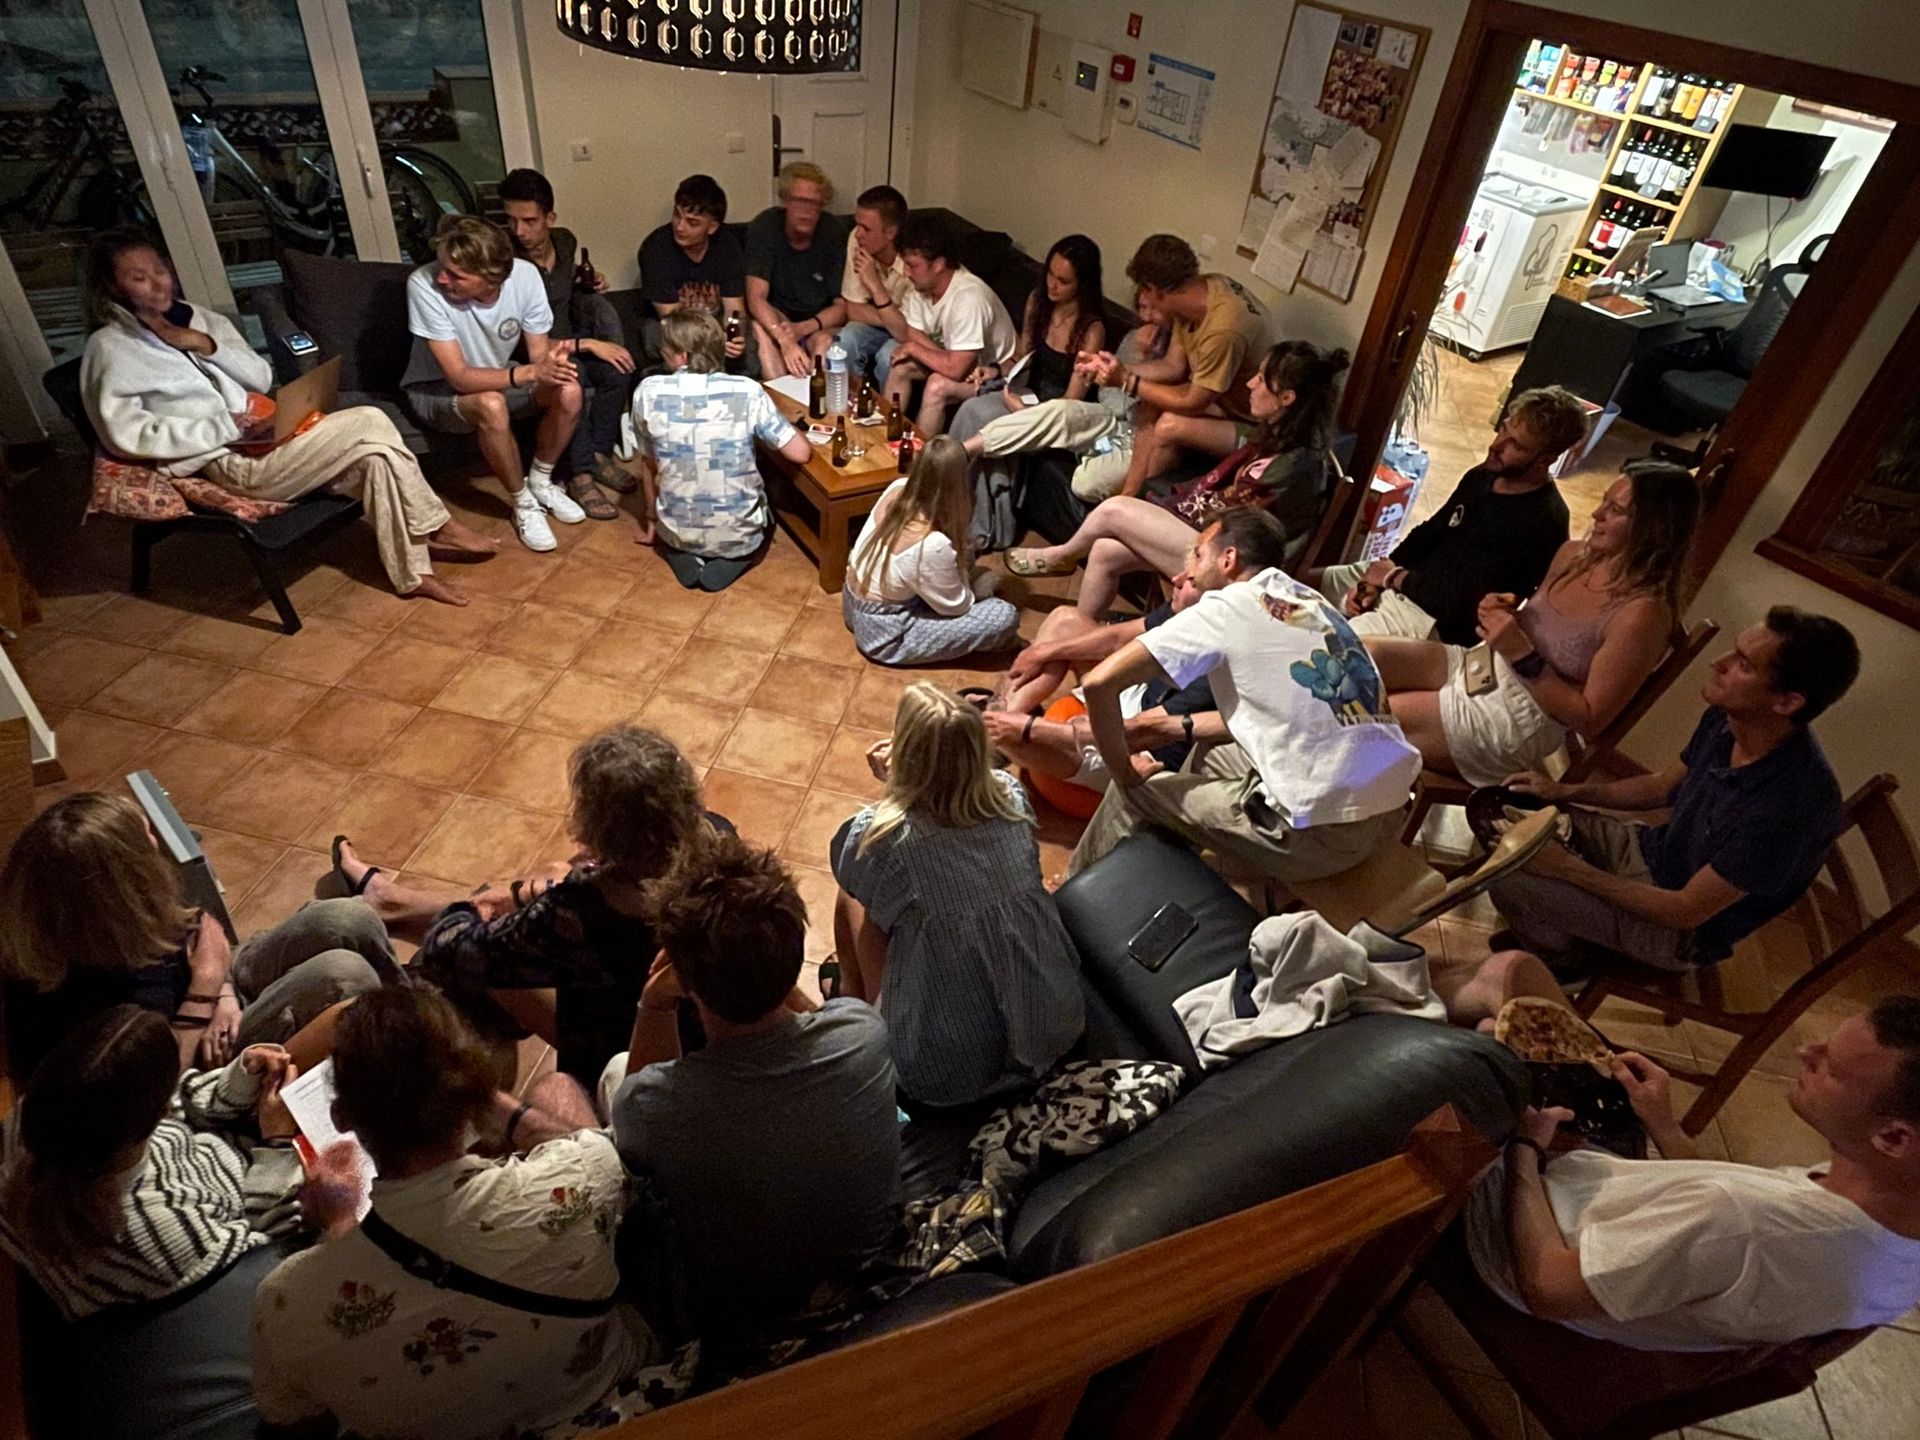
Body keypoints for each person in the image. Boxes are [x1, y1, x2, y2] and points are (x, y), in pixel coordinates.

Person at [252, 986, 665, 1439]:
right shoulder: (580, 1179)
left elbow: (292, 1415)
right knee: (558, 1088)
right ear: (470, 1088)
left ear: (341, 1118)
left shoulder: (285, 1303)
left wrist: (340, 1226)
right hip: (617, 1408)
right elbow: (598, 1154)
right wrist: (482, 1093)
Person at [1461, 997, 1920, 1351]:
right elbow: (1717, 1236)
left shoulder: (1742, 1223)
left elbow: (1548, 1287)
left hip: (1508, 1241)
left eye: (1830, 1067)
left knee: (1475, 1047)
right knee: (1518, 995)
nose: (1805, 1051)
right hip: (1611, 1229)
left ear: (1894, 1138)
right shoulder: (1893, 1222)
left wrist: (1524, 1149)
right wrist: (1663, 1124)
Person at [79, 229, 492, 605]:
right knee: (369, 419)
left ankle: (414, 576)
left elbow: (259, 377)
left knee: (377, 460)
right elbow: (122, 435)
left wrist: (205, 344)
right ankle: (438, 523)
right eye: (139, 278)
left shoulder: (200, 319)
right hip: (228, 463)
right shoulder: (110, 348)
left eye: (160, 270)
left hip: (262, 440)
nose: (158, 284)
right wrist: (222, 427)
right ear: (112, 287)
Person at [607, 834, 901, 1349]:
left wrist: (654, 1005)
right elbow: (814, 1019)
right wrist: (772, 974)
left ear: (685, 981)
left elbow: (632, 1126)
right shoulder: (864, 1033)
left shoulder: (656, 1106)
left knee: (615, 1074)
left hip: (743, 1317)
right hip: (867, 1274)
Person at [1486, 607, 1861, 972]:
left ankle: (1568, 962)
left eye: (1743, 665)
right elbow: (1660, 787)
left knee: (1508, 876)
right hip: (1651, 854)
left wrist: (1568, 869)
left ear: (1787, 702)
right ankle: (1557, 933)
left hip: (1678, 933)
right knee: (1516, 816)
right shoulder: (1727, 719)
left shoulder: (1787, 809)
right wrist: (1562, 792)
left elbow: (1685, 911)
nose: (1719, 662)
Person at [1067, 510, 1422, 881]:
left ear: (1228, 559)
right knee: (1209, 754)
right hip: (1388, 810)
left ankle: (1073, 894)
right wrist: (1174, 726)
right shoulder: (1308, 600)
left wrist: (1124, 771)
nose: (1186, 572)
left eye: (1198, 555)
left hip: (1323, 836)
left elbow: (1099, 684)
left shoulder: (1228, 607)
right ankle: (1160, 875)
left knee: (1135, 790)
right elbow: (1274, 714)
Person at [388, 725, 722, 1089]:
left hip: (631, 1063)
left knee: (487, 956)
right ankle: (393, 903)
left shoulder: (579, 909)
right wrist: (531, 891)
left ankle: (392, 913)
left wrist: (473, 910)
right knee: (546, 883)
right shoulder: (721, 844)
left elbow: (453, 951)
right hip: (711, 1043)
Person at [0, 792, 398, 1084]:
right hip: (187, 1059)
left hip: (210, 993)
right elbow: (147, 1095)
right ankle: (388, 1064)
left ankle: (412, 1023)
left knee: (348, 917)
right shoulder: (80, 1003)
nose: (157, 845)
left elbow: (199, 925)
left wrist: (221, 991)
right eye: (146, 843)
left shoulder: (108, 907)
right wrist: (205, 991)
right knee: (343, 975)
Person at [1365, 460, 1700, 787]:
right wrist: (1504, 612)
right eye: (1603, 502)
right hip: (1484, 667)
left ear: (1654, 529)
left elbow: (1590, 721)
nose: (1597, 515)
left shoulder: (1643, 614)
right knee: (1362, 658)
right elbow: (1538, 632)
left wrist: (1524, 656)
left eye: (1616, 510)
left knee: (1370, 720)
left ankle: (1358, 804)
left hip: (1520, 715)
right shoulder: (1573, 555)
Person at [831, 684, 1085, 1111]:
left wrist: (893, 790)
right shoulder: (1010, 794)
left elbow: (864, 872)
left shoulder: (883, 836)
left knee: (855, 898)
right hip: (1052, 1031)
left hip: (946, 1070)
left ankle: (857, 1011)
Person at [0, 1007, 307, 1321]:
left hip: (230, 1147)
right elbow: (263, 1249)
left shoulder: (38, 1120)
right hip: (265, 1189)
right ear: (159, 1114)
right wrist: (277, 1141)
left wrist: (242, 1079)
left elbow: (180, 1102)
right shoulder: (158, 1232)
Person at [1002, 341, 1350, 614]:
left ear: (1286, 398)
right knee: (1106, 551)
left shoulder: (1294, 466)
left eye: (1261, 379)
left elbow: (1236, 526)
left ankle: (1061, 556)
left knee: (1113, 510)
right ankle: (1083, 629)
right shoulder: (1276, 435)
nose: (1250, 383)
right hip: (1219, 538)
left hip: (1238, 568)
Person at [979, 506, 1296, 798]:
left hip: (1145, 751)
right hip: (1139, 703)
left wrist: (1031, 728)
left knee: (1017, 737)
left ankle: (989, 737)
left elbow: (1143, 729)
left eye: (1198, 556)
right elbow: (1117, 637)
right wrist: (1045, 652)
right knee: (1065, 622)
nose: (1178, 577)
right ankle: (991, 728)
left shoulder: (1233, 649)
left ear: (1228, 561)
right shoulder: (1214, 600)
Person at [1311, 387, 1591, 644]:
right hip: (1407, 581)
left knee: (1329, 645)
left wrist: (1392, 578)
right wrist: (1378, 577)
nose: (1496, 445)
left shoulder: (1543, 522)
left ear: (1546, 459)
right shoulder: (1483, 475)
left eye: (1516, 446)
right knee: (1304, 581)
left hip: (1434, 622)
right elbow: (1431, 531)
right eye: (1503, 429)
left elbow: (1462, 602)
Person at [400, 214, 587, 553]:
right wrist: (530, 374)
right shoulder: (423, 285)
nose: (442, 278)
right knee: (491, 403)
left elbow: (538, 355)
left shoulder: (525, 276)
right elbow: (459, 377)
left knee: (569, 390)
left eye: (456, 275)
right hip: (434, 389)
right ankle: (522, 502)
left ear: (490, 279)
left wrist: (553, 366)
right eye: (442, 266)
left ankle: (541, 481)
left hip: (497, 375)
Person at [629, 309, 814, 591]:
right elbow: (800, 453)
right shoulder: (747, 391)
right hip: (738, 538)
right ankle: (732, 558)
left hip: (675, 532)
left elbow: (648, 463)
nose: (663, 352)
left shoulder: (647, 391)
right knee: (767, 501)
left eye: (666, 347)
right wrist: (787, 423)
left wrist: (652, 520)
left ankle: (683, 551)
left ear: (681, 356)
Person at [1073, 234, 1267, 499]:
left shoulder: (1224, 330)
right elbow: (1173, 366)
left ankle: (1135, 501)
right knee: (1152, 399)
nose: (1143, 298)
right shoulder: (1203, 291)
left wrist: (1127, 381)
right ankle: (1128, 495)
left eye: (1144, 290)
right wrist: (1114, 369)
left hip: (1257, 424)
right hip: (1222, 401)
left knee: (1168, 425)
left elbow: (1193, 401)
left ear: (1156, 290)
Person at [957, 303, 1170, 544]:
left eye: (1153, 310)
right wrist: (1101, 374)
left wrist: (1134, 373)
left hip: (1139, 438)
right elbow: (1109, 396)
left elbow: (1160, 408)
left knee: (1085, 483)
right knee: (1061, 412)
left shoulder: (1176, 356)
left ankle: (1087, 451)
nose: (1146, 317)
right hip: (1112, 418)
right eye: (1142, 309)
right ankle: (961, 451)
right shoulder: (1134, 337)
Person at [498, 167, 637, 520]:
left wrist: (589, 279)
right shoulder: (505, 263)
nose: (519, 231)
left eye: (529, 221)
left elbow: (564, 281)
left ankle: (599, 454)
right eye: (511, 220)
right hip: (532, 353)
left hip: (568, 339)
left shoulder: (564, 242)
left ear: (550, 218)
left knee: (618, 369)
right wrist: (588, 343)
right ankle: (580, 475)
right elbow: (524, 341)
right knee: (568, 376)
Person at [842, 435, 1021, 665]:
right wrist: (961, 551)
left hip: (852, 604)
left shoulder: (898, 487)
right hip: (886, 634)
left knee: (950, 567)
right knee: (1003, 616)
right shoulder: (932, 544)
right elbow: (957, 607)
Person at [866, 213, 1019, 437]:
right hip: (961, 363)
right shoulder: (922, 287)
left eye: (912, 265)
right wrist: (942, 358)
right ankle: (882, 437)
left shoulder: (969, 298)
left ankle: (921, 456)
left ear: (938, 264)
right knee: (900, 367)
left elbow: (955, 370)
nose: (906, 273)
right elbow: (913, 332)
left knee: (937, 385)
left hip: (995, 377)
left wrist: (918, 350)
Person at [636, 172, 753, 376]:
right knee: (660, 337)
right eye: (677, 215)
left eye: (692, 222)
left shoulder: (728, 246)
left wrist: (735, 335)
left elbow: (735, 311)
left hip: (714, 323)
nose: (680, 226)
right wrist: (715, 341)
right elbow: (671, 317)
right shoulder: (656, 249)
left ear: (712, 227)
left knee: (749, 344)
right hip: (670, 325)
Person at [745, 161, 849, 378]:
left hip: (817, 322)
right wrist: (785, 341)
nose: (806, 211)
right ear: (785, 201)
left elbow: (842, 306)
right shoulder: (765, 227)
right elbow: (755, 297)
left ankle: (814, 394)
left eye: (814, 203)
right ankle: (779, 393)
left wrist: (803, 328)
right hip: (777, 320)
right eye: (799, 201)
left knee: (825, 343)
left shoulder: (833, 232)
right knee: (760, 330)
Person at [834, 183, 914, 382]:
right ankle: (849, 398)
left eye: (866, 229)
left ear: (890, 233)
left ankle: (885, 403)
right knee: (846, 340)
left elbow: (907, 334)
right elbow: (853, 310)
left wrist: (874, 284)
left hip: (914, 335)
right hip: (884, 324)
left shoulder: (913, 261)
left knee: (889, 356)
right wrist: (892, 318)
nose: (858, 234)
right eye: (857, 224)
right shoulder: (858, 241)